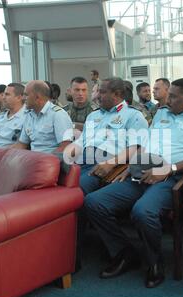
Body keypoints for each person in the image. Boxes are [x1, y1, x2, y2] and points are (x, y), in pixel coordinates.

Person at [84, 78, 183, 288]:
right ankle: (125, 253)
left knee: (143, 211)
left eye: (173, 96)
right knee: (94, 202)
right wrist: (130, 167)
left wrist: (168, 170)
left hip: (173, 177)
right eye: (168, 94)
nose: (167, 98)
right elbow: (146, 144)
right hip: (142, 172)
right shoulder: (162, 113)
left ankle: (155, 263)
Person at [63, 77, 148, 270]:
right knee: (54, 190)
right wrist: (64, 157)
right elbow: (81, 142)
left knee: (73, 194)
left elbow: (136, 147)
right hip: (82, 160)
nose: (97, 95)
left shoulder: (133, 116)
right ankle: (68, 248)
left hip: (108, 164)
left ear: (117, 95)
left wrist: (111, 162)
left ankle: (72, 254)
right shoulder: (94, 116)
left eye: (101, 92)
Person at [13, 80, 73, 153]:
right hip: (33, 159)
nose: (23, 98)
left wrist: (44, 160)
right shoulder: (29, 115)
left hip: (51, 161)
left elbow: (65, 147)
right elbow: (22, 144)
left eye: (26, 95)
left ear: (37, 97)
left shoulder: (58, 115)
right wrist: (5, 156)